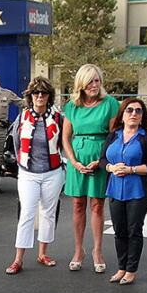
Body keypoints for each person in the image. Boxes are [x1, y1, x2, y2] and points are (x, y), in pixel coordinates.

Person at [59, 64, 118, 273]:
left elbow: (113, 135)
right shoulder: (72, 106)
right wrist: (73, 161)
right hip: (78, 158)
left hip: (100, 156)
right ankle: (78, 251)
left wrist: (101, 160)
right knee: (77, 204)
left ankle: (97, 251)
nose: (94, 85)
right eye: (90, 81)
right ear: (81, 84)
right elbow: (65, 137)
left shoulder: (110, 103)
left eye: (97, 80)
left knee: (97, 205)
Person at [5, 76, 64, 275]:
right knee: (27, 213)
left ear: (49, 96)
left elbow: (64, 143)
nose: (40, 96)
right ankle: (18, 259)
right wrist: (21, 164)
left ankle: (43, 253)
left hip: (53, 172)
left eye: (44, 93)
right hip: (28, 172)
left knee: (48, 212)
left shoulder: (58, 117)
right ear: (30, 96)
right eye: (36, 93)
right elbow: (15, 142)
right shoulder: (22, 117)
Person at [101, 97, 147, 285]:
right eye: (129, 110)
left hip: (138, 191)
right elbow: (102, 160)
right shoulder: (113, 136)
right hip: (115, 190)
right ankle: (121, 267)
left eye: (138, 111)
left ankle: (131, 270)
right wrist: (111, 168)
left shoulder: (146, 139)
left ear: (142, 117)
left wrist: (131, 169)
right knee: (119, 231)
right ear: (122, 115)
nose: (134, 114)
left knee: (134, 230)